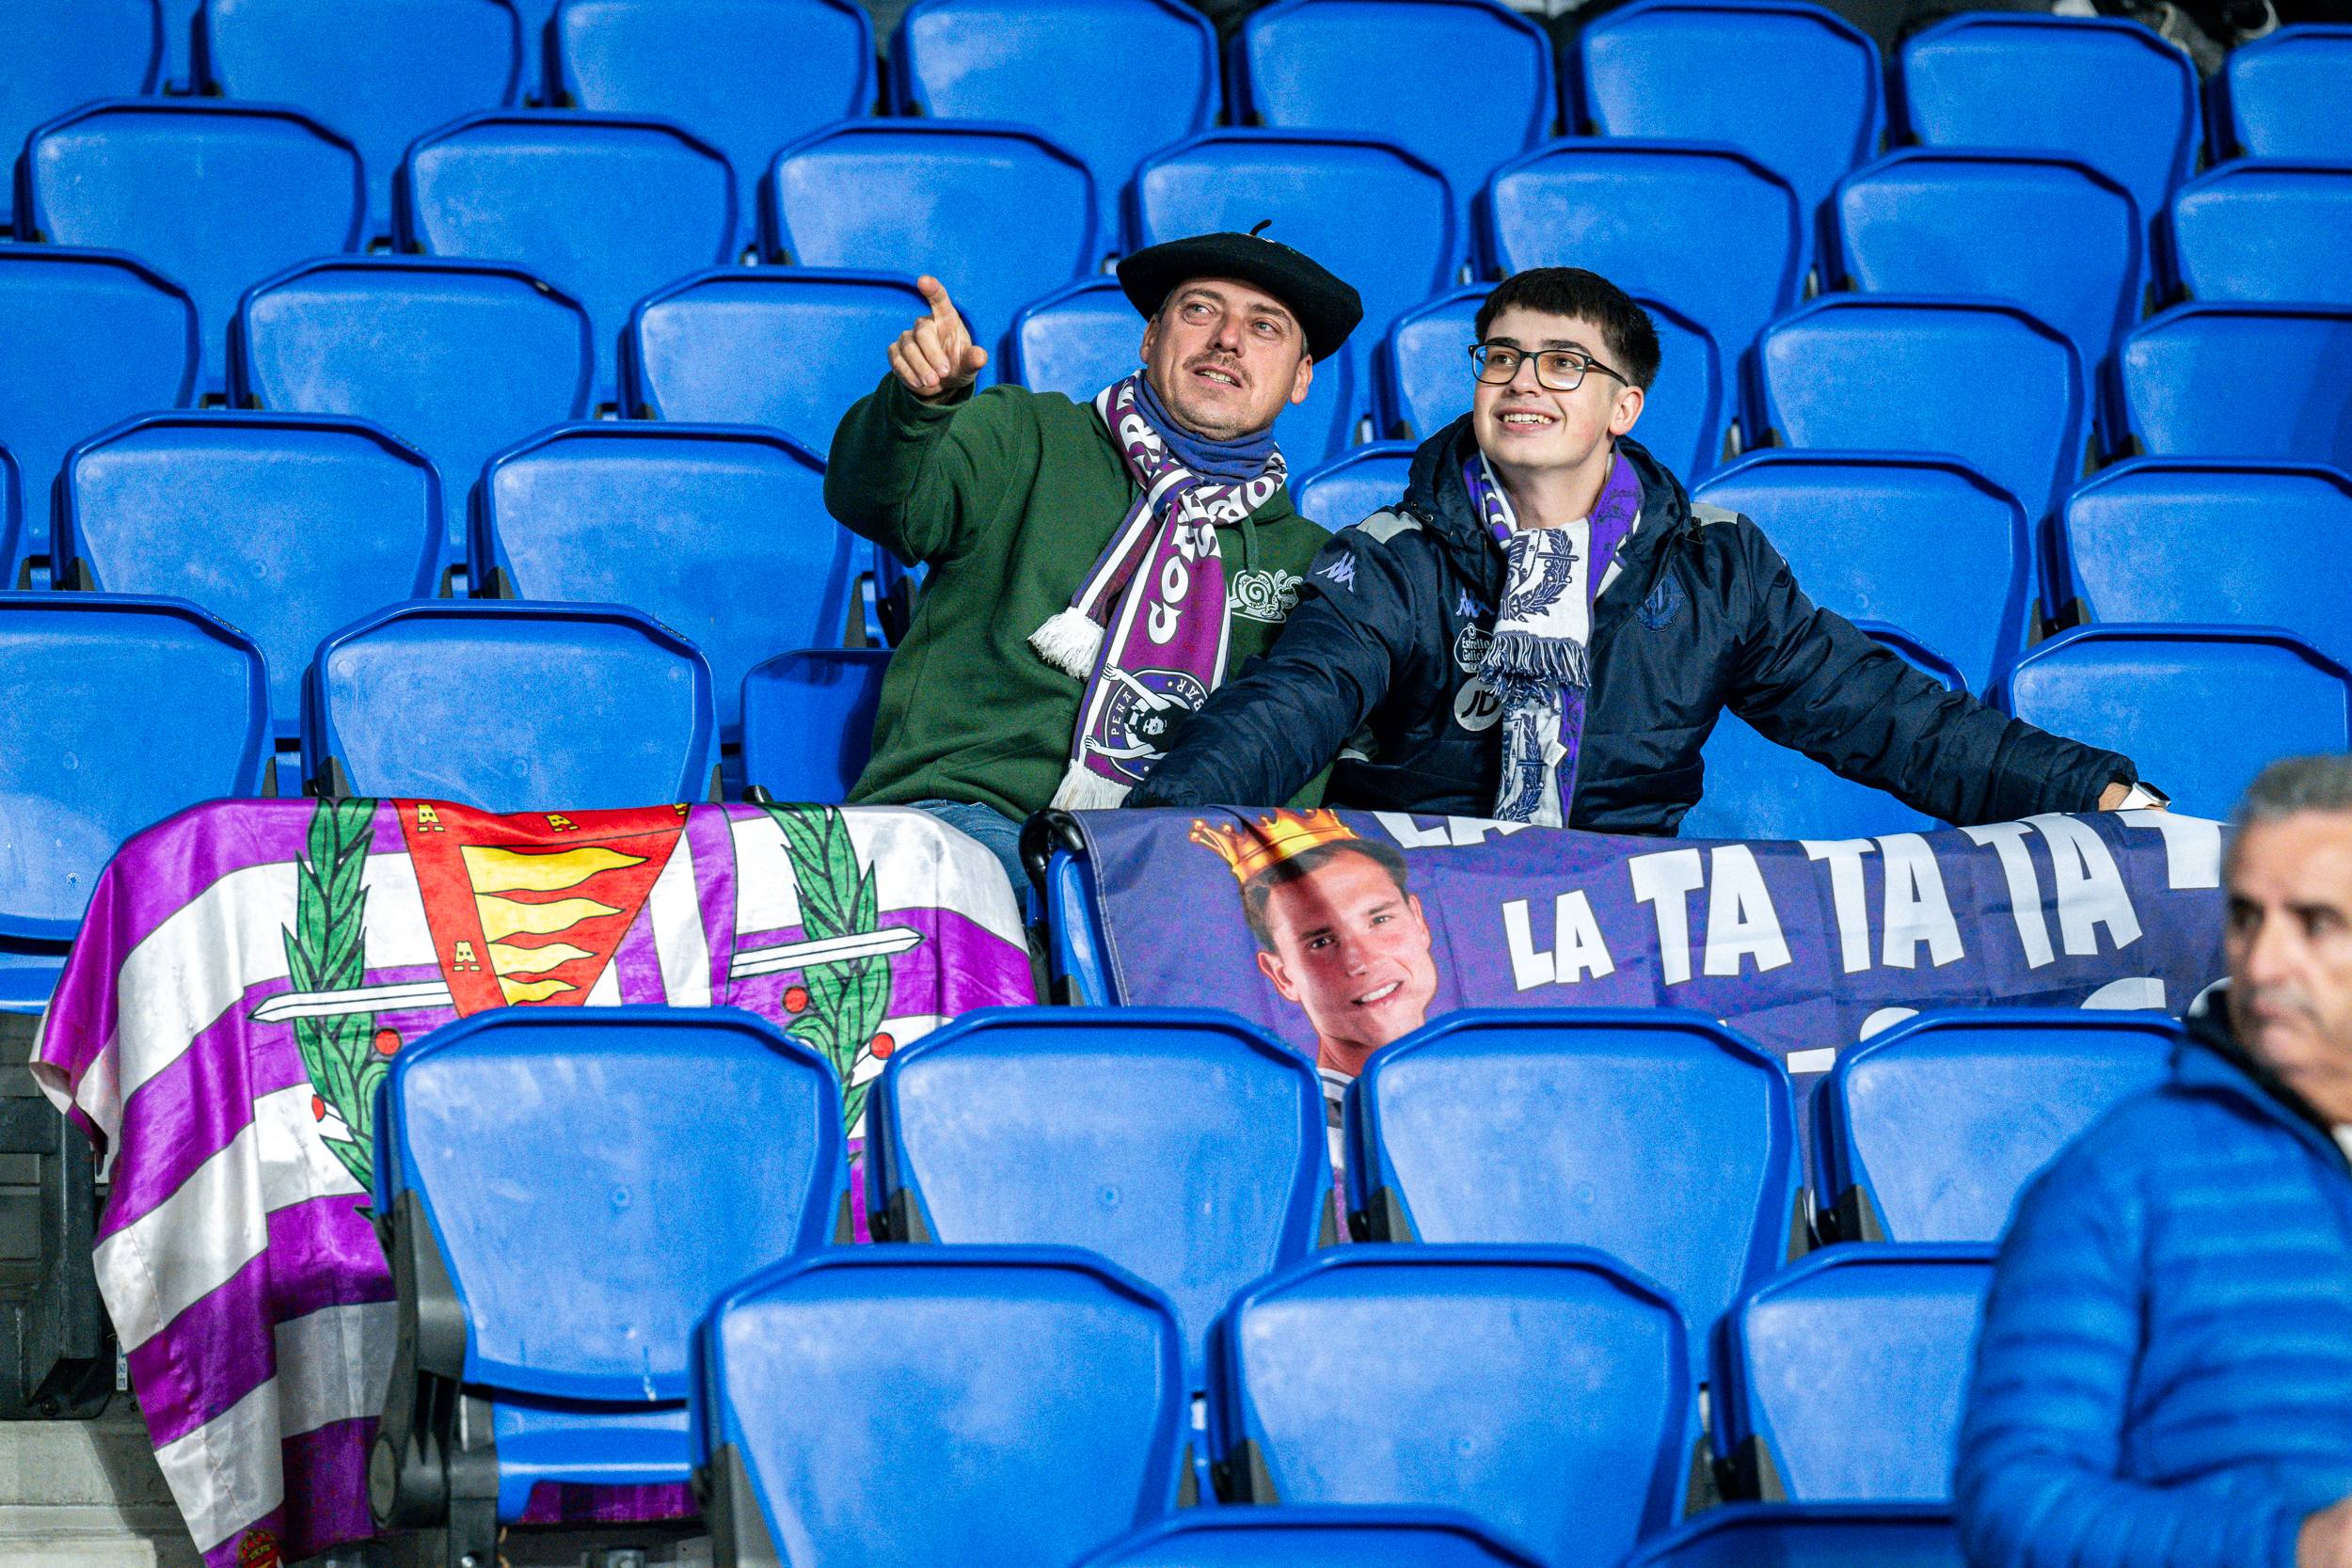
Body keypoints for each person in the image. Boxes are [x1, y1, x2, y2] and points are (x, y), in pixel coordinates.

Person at [1129, 266, 2160, 831]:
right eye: (1503, 357)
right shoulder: (1392, 555)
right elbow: (1289, 707)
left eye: (1564, 363)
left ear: (1625, 404)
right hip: (1414, 908)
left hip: (1613, 922)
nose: (1524, 380)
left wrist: (2094, 791)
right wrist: (1151, 832)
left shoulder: (1715, 567)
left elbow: (1888, 717)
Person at [825, 229, 1361, 894]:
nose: (1228, 338)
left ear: (1302, 377)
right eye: (1200, 310)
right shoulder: (1026, 435)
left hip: (1179, 873)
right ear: (1149, 337)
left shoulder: (1315, 562)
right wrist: (918, 408)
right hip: (967, 825)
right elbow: (878, 502)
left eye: (1265, 326)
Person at [1955, 752, 2352, 1568]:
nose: (2266, 962)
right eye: (2247, 917)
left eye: (2314, 922)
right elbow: (2015, 1502)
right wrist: (2292, 1548)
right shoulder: (2118, 1180)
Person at [1193, 808, 1440, 1154]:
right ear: (1282, 975)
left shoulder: (1496, 1084)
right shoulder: (1284, 1142)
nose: (1361, 961)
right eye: (1321, 942)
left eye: (1380, 919)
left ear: (1418, 920)